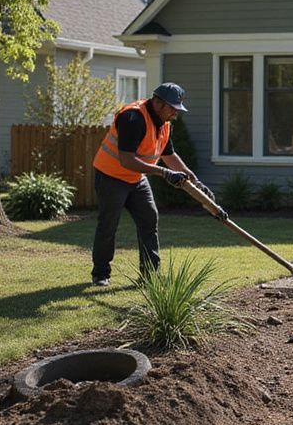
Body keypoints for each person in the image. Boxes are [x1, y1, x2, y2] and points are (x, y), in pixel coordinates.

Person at [90, 82, 210, 286]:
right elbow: (127, 160)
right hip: (111, 177)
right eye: (172, 108)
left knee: (149, 219)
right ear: (157, 102)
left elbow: (169, 155)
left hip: (136, 179)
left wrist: (193, 179)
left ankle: (150, 276)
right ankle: (101, 274)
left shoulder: (165, 123)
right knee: (108, 225)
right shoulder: (133, 118)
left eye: (178, 109)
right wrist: (164, 173)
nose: (175, 113)